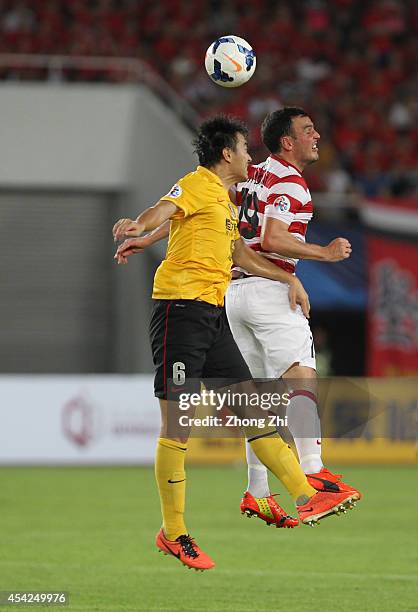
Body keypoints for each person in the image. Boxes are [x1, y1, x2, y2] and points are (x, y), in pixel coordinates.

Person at [112, 115, 359, 571]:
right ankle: (175, 533)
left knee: (252, 409)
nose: (250, 157)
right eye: (245, 149)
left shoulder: (223, 203)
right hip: (179, 313)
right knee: (178, 428)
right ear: (227, 154)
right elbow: (165, 209)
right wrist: (137, 226)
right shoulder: (195, 184)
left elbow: (240, 253)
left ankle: (306, 496)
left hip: (214, 313)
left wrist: (290, 279)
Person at [225, 107, 361, 526]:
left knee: (261, 399)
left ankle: (257, 490)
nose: (317, 135)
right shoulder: (290, 181)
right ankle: (313, 470)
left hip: (234, 290)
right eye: (308, 130)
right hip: (269, 289)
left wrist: (146, 232)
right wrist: (326, 253)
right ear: (288, 142)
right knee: (302, 375)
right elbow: (274, 237)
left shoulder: (251, 174)